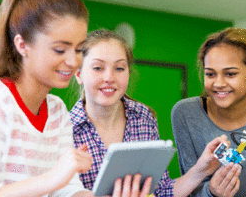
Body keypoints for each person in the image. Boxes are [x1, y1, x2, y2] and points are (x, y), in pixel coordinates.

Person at [0, 0, 149, 196]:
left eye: (79, 49)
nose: (74, 61)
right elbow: (55, 181)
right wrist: (53, 178)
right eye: (60, 50)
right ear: (22, 45)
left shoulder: (57, 111)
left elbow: (67, 191)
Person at [70, 29, 235, 197]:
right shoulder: (63, 128)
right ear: (78, 74)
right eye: (98, 68)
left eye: (119, 68)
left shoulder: (143, 118)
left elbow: (162, 191)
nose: (109, 77)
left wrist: (202, 169)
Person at [171, 27, 246, 197]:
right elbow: (189, 187)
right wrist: (211, 192)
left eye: (230, 74)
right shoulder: (186, 114)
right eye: (210, 74)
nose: (218, 83)